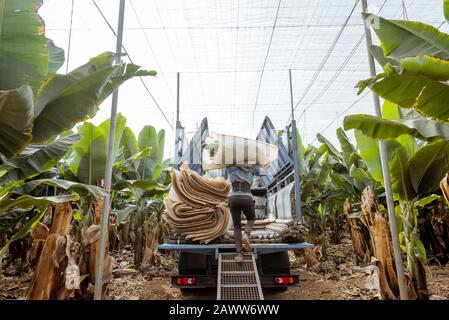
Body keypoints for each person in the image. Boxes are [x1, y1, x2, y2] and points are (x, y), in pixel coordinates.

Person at [225, 164, 264, 262]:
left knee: (237, 225)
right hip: (247, 197)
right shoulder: (252, 167)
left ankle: (239, 254)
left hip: (233, 197)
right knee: (251, 219)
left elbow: (224, 160)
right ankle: (246, 234)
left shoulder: (231, 166)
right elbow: (264, 172)